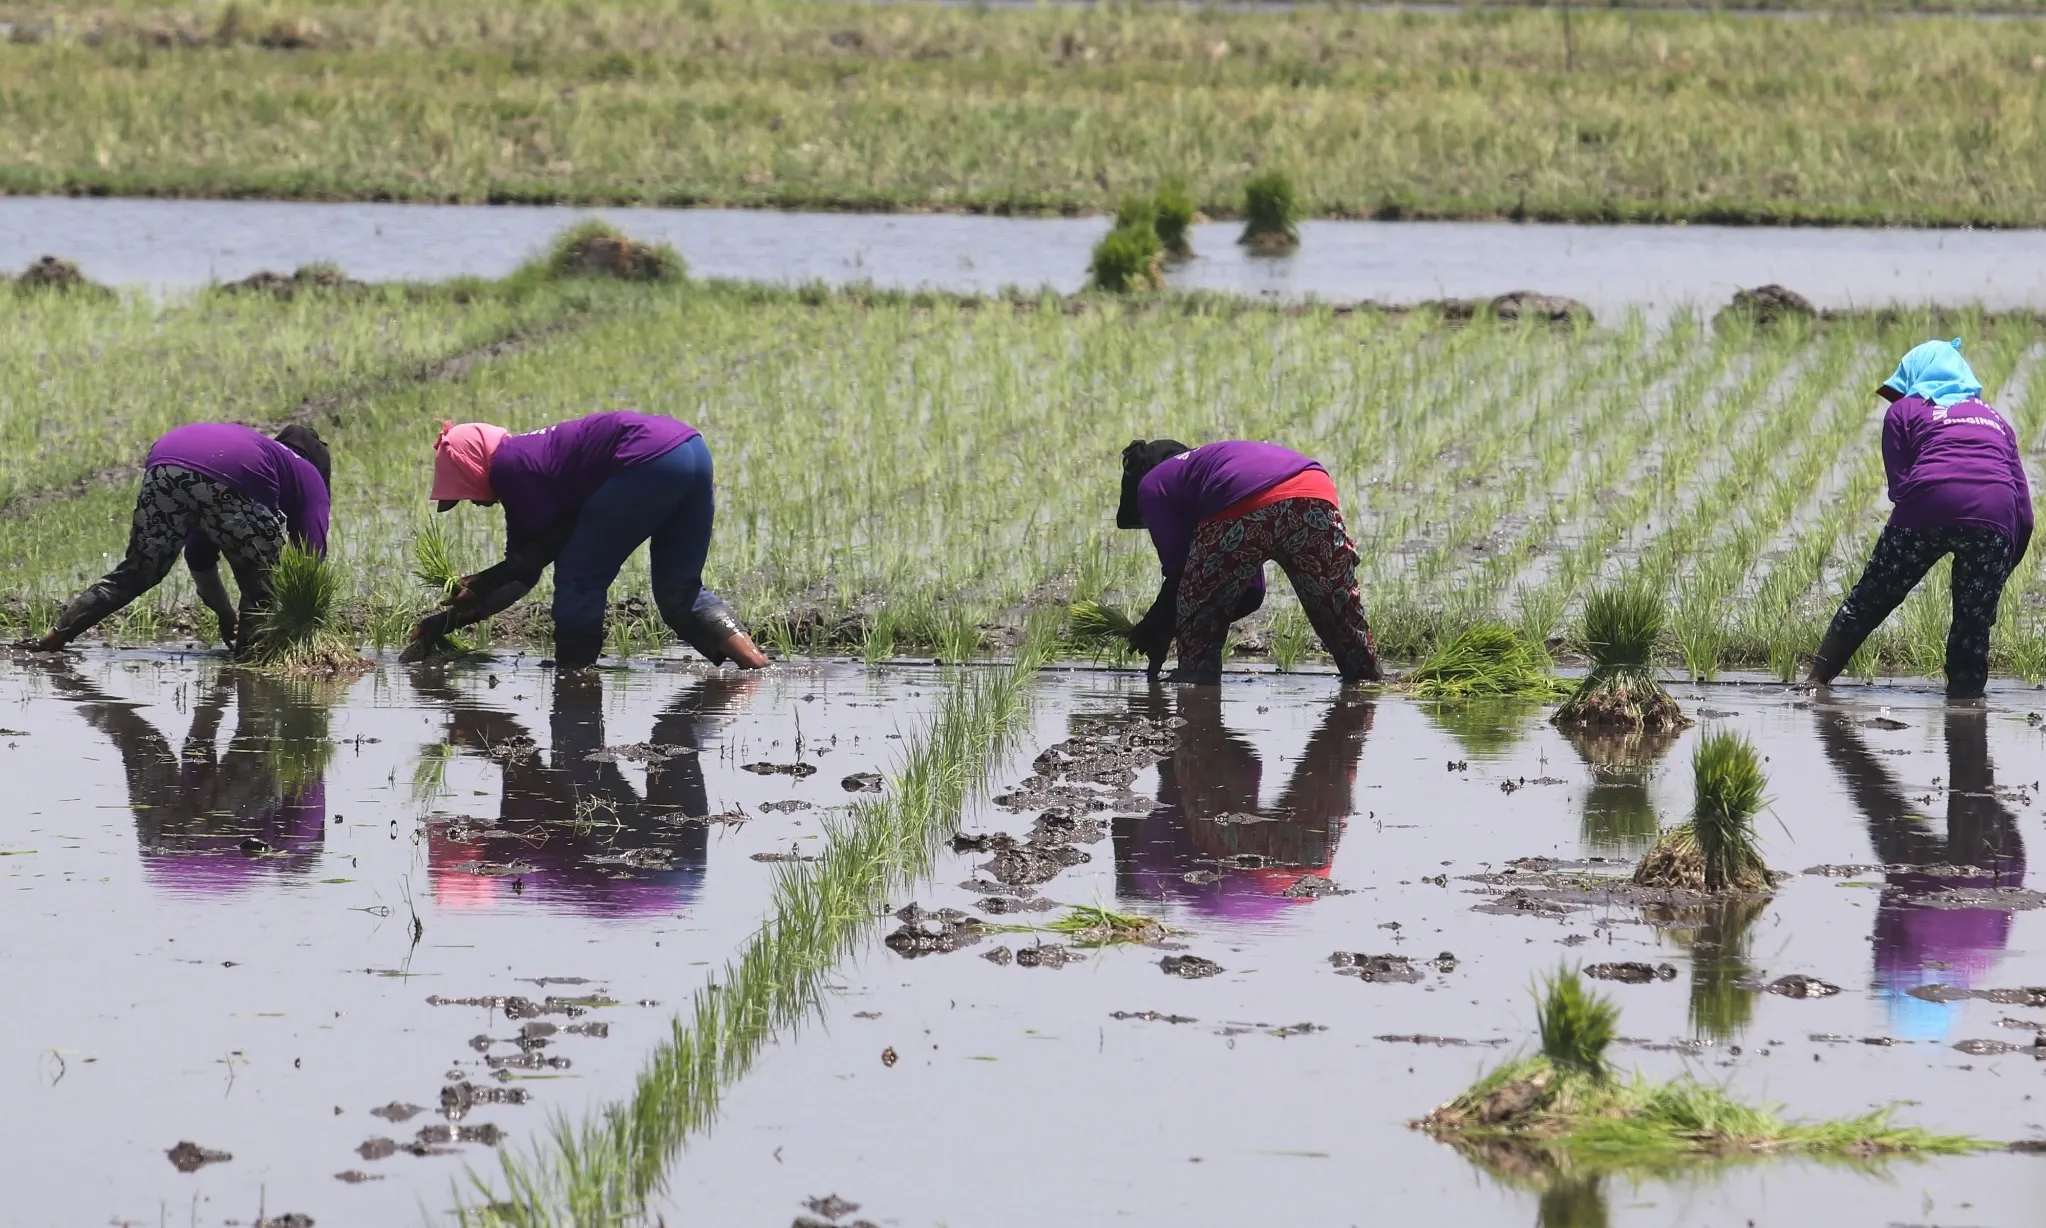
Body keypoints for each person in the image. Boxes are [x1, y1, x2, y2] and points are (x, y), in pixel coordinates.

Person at [405, 412, 769, 671]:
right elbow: (523, 573)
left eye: (464, 491)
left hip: (646, 461)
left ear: (473, 465)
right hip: (690, 450)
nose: (473, 502)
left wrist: (482, 582)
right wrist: (448, 620)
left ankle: (574, 674)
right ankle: (757, 669)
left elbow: (546, 549)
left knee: (578, 576)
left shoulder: (509, 466)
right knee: (680, 591)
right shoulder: (526, 466)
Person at [1808, 339, 2033, 700]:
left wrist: (1921, 523)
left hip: (1927, 505)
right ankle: (1966, 707)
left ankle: (1815, 681)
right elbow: (2025, 511)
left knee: (1870, 597)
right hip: (1995, 515)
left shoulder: (1904, 410)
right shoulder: (1997, 420)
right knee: (1972, 623)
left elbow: (1899, 487)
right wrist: (2001, 566)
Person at [30, 422, 331, 656]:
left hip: (167, 459)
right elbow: (310, 558)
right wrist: (301, 619)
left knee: (140, 568)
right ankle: (252, 663)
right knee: (262, 585)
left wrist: (225, 612)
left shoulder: (266, 452)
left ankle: (55, 636)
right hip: (230, 465)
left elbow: (199, 553)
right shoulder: (309, 475)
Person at [1116, 438, 1381, 684]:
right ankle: (1367, 685)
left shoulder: (1151, 482)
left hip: (1244, 504)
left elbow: (1181, 574)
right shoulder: (1210, 465)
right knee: (1342, 620)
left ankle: (1197, 694)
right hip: (1315, 492)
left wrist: (1159, 627)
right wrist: (1169, 622)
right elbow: (1252, 593)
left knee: (1197, 623)